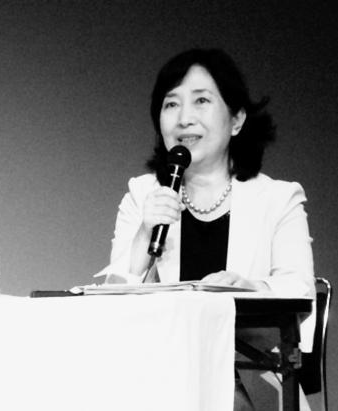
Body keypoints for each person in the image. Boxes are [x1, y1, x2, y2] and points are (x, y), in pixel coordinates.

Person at [100, 49, 315, 410]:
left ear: (237, 119)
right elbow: (111, 306)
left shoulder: (278, 199)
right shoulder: (143, 195)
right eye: (171, 104)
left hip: (249, 377)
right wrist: (142, 237)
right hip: (161, 376)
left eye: (201, 101)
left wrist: (251, 288)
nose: (184, 119)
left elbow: (300, 289)